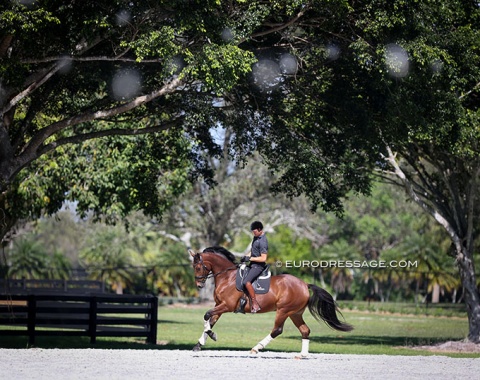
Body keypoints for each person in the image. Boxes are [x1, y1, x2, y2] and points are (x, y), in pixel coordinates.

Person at [239, 220, 268, 313]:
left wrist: (250, 259)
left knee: (247, 282)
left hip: (258, 266)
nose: (253, 233)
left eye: (254, 231)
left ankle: (255, 304)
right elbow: (253, 251)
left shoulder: (263, 241)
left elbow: (263, 258)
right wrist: (245, 257)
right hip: (252, 264)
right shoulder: (256, 238)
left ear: (259, 229)